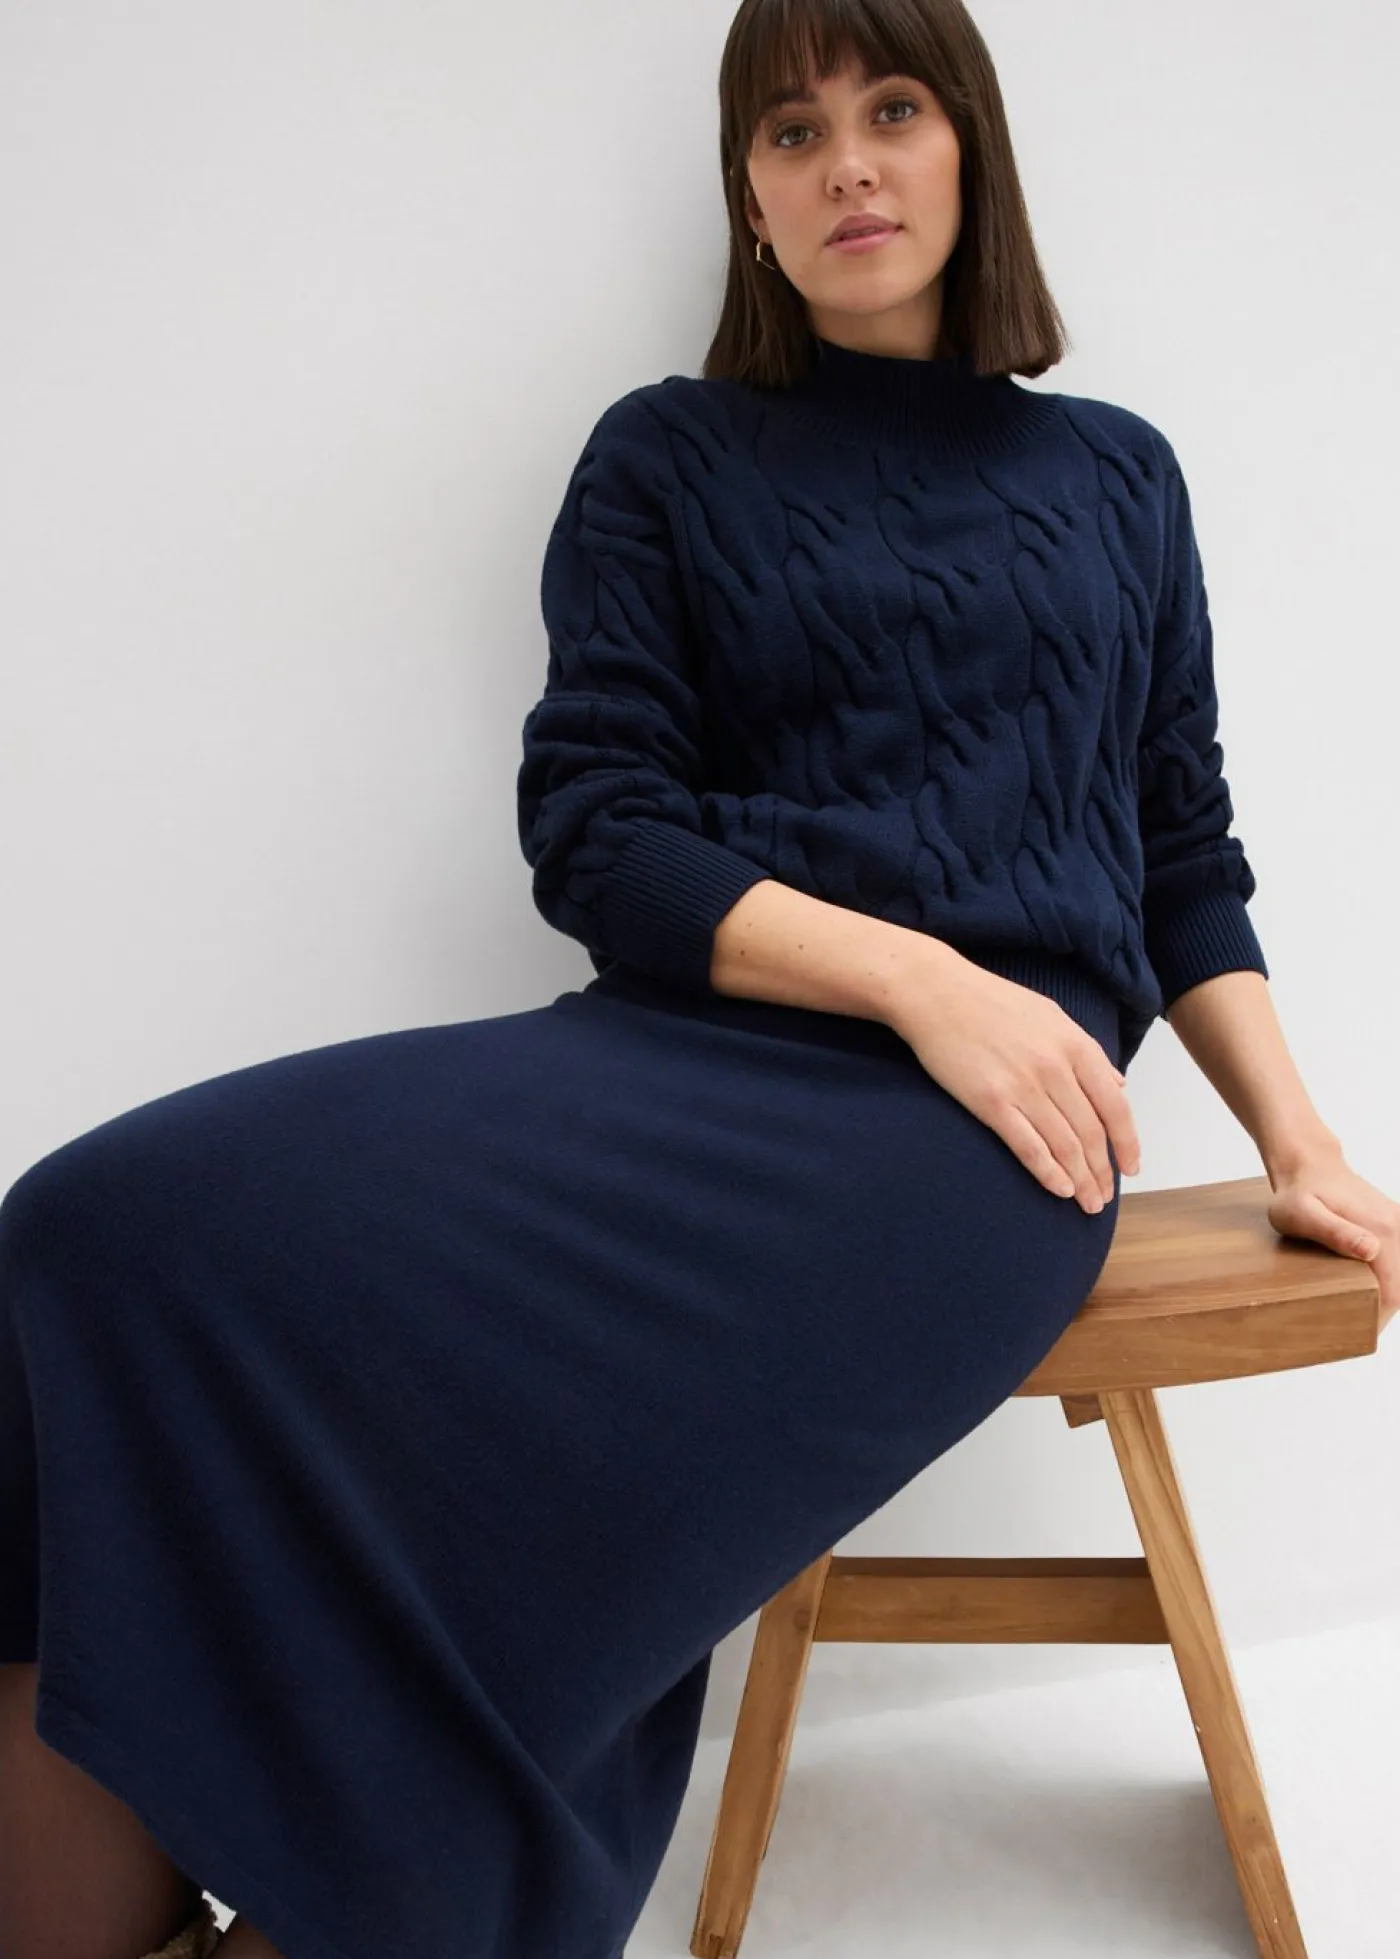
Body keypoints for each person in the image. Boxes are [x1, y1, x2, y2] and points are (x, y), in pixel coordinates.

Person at [3, 3, 1395, 1958]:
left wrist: (1298, 1137)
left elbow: (1182, 853)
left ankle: (381, 1883)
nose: (847, 162)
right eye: (789, 129)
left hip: (983, 1143)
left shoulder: (1118, 479)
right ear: (746, 195)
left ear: (970, 150)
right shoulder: (665, 455)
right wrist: (920, 977)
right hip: (690, 1051)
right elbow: (600, 832)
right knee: (92, 1232)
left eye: (891, 108)